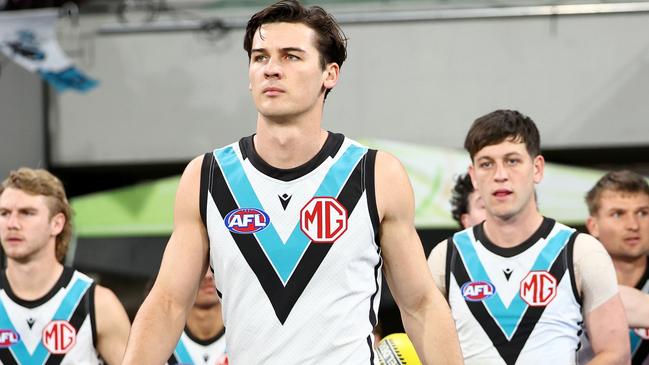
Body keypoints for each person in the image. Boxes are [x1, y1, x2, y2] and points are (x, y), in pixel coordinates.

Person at [121, 1, 462, 364]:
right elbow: (168, 304)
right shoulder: (206, 177)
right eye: (260, 57)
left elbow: (421, 306)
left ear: (329, 74)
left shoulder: (376, 174)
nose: (271, 69)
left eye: (290, 57)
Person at [428, 109, 629, 364]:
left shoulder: (580, 251)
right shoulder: (445, 257)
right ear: (474, 176)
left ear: (537, 169)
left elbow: (617, 355)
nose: (500, 175)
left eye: (512, 161)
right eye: (486, 164)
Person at [0, 167, 130, 364]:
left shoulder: (96, 303)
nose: (12, 223)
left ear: (57, 223)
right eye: (4, 213)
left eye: (27, 213)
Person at [583, 170, 649, 363]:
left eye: (643, 213)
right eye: (618, 214)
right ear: (593, 225)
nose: (633, 225)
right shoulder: (569, 286)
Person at [167, 270, 227, 365]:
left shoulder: (246, 339)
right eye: (200, 266)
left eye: (214, 265)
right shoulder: (160, 343)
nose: (208, 276)